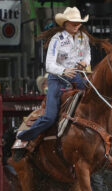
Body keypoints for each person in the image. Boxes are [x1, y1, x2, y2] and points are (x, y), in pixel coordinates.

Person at [17, 7, 104, 142]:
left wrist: (84, 62)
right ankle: (25, 137)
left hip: (78, 77)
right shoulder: (57, 39)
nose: (76, 25)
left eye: (78, 22)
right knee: (50, 117)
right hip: (57, 80)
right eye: (73, 22)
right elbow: (49, 65)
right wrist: (64, 71)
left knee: (95, 99)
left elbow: (88, 56)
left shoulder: (84, 37)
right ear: (65, 23)